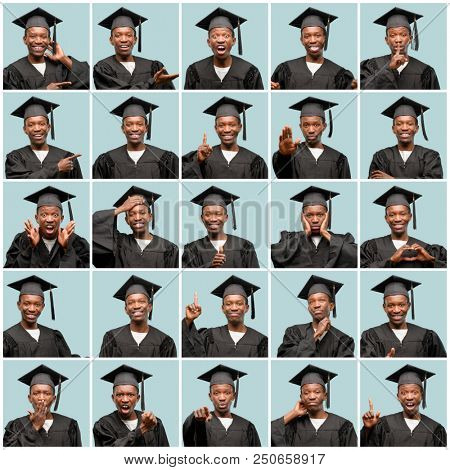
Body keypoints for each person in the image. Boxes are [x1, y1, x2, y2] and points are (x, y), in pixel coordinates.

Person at [92, 186, 179, 268]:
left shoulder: (167, 248)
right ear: (127, 220)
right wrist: (121, 209)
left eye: (142, 213)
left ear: (150, 216)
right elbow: (95, 225)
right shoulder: (118, 243)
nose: (137, 218)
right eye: (132, 214)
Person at [92, 97, 178, 179]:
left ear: (146, 128)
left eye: (139, 124)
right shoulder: (107, 160)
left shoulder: (165, 159)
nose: (134, 129)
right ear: (123, 129)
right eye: (129, 124)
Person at [360, 186, 447, 268]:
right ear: (386, 218)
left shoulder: (428, 250)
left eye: (403, 214)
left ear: (410, 216)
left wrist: (431, 260)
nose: (397, 219)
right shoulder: (372, 247)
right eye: (392, 215)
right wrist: (391, 260)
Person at [4, 186, 90, 268]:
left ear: (62, 218)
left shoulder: (75, 241)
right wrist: (31, 248)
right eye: (44, 215)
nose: (49, 219)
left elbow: (85, 268)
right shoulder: (23, 240)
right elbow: (10, 269)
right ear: (36, 218)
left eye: (55, 215)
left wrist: (66, 248)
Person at [360, 275, 446, 358]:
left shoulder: (427, 336)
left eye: (401, 305)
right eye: (390, 305)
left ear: (408, 306)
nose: (396, 310)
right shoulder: (371, 336)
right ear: (384, 307)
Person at [3, 7, 89, 90]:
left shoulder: (60, 67)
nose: (38, 41)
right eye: (32, 36)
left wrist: (63, 58)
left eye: (43, 36)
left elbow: (87, 79)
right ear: (25, 39)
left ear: (49, 40)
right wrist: (45, 90)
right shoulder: (12, 71)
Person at [182, 96, 267, 179]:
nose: (226, 130)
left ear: (240, 127)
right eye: (221, 125)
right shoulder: (203, 156)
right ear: (216, 128)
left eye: (232, 125)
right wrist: (198, 161)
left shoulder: (254, 161)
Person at [271, 186, 357, 268]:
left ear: (328, 216)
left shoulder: (344, 239)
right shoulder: (288, 238)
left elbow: (355, 257)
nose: (315, 220)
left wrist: (326, 234)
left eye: (320, 215)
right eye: (309, 215)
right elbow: (276, 255)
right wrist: (305, 233)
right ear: (302, 217)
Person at [361, 364, 447, 446]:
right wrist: (368, 430)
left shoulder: (435, 430)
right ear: (398, 396)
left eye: (414, 392)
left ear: (422, 395)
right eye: (403, 393)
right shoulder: (384, 425)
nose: (409, 397)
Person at [271, 365, 357, 446]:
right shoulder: (293, 427)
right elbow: (271, 431)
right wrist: (293, 413)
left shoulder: (343, 426)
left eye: (317, 392)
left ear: (325, 396)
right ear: (301, 397)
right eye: (306, 393)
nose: (312, 397)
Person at [94, 7, 178, 90]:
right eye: (118, 35)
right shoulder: (103, 68)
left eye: (129, 35)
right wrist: (153, 81)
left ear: (135, 40)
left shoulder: (154, 67)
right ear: (111, 40)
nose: (124, 40)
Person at [182, 275, 267, 357]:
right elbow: (191, 352)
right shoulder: (209, 337)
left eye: (239, 303)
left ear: (247, 308)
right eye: (228, 304)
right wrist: (188, 320)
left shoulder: (260, 341)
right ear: (223, 308)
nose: (234, 308)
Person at [271, 8, 356, 90]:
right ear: (302, 40)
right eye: (307, 36)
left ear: (325, 38)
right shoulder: (286, 70)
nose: (312, 40)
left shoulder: (340, 75)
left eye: (318, 35)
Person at [360, 8, 440, 90]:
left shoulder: (425, 71)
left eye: (403, 35)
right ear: (386, 40)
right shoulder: (372, 66)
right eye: (392, 35)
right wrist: (388, 69)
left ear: (410, 39)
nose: (398, 40)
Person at [184, 7, 264, 90]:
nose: (220, 40)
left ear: (234, 41)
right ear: (209, 42)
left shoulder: (249, 72)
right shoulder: (195, 71)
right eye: (215, 36)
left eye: (226, 36)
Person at [272, 97, 351, 179]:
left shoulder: (339, 159)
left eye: (316, 125)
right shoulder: (291, 155)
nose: (311, 130)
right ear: (300, 127)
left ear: (324, 126)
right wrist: (283, 156)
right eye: (306, 125)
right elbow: (282, 176)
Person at [3, 365, 82, 446]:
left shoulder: (69, 425)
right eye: (36, 393)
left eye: (47, 393)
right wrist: (35, 427)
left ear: (54, 399)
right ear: (30, 398)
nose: (41, 398)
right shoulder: (16, 426)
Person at [183, 365, 261, 446]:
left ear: (234, 396)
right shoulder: (201, 423)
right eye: (216, 393)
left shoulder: (246, 426)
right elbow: (189, 440)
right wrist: (195, 419)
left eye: (227, 393)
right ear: (210, 396)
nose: (222, 398)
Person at [5, 96, 83, 179]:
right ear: (25, 129)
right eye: (31, 125)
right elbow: (20, 183)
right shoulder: (16, 157)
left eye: (42, 124)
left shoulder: (67, 157)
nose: (37, 129)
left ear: (48, 127)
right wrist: (57, 168)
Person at [277, 275, 354, 358]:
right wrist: (317, 335)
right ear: (309, 307)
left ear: (331, 306)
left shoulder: (343, 340)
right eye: (311, 302)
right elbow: (285, 357)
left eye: (321, 300)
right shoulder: (295, 332)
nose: (316, 305)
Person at [182, 186, 259, 268]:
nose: (213, 219)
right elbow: (186, 277)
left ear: (226, 217)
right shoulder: (192, 249)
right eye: (207, 214)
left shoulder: (245, 246)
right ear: (202, 218)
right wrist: (210, 266)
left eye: (218, 214)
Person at [99, 275, 176, 357]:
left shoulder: (165, 341)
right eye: (131, 302)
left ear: (150, 307)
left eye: (142, 301)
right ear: (126, 309)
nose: (136, 306)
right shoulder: (111, 338)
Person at [94, 365, 170, 447]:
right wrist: (142, 429)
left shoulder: (153, 423)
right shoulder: (104, 425)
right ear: (113, 398)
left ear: (138, 398)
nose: (125, 400)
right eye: (120, 395)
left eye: (130, 395)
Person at [368, 96, 443, 179]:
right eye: (399, 124)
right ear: (393, 129)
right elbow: (375, 181)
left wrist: (393, 179)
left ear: (416, 129)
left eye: (410, 124)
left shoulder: (430, 157)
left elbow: (432, 181)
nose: (404, 128)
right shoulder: (381, 156)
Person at [4, 275, 76, 357]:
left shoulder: (54, 336)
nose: (32, 309)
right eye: (26, 304)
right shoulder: (7, 338)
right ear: (19, 305)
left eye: (37, 304)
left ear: (43, 307)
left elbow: (67, 358)